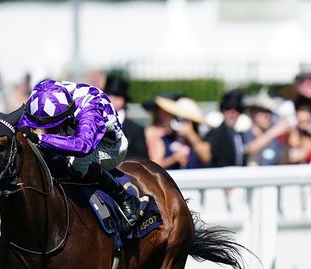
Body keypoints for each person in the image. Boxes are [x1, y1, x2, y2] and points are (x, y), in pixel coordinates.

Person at [18, 79, 141, 225]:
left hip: (109, 146)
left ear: (68, 114)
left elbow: (82, 146)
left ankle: (123, 196)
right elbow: (22, 123)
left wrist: (41, 138)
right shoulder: (45, 93)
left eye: (53, 126)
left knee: (76, 164)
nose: (49, 130)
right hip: (73, 133)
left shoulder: (90, 108)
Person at [150, 95, 211, 170]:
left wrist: (190, 135)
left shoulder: (200, 140)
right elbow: (153, 166)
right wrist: (173, 159)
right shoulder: (164, 140)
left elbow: (207, 158)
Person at [104, 73, 148, 160]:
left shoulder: (136, 129)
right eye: (108, 95)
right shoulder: (97, 123)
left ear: (123, 100)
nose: (111, 99)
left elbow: (142, 158)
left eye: (115, 96)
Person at [206, 90, 248, 167]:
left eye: (237, 109)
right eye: (228, 108)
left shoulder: (239, 135)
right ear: (222, 111)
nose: (233, 113)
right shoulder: (214, 134)